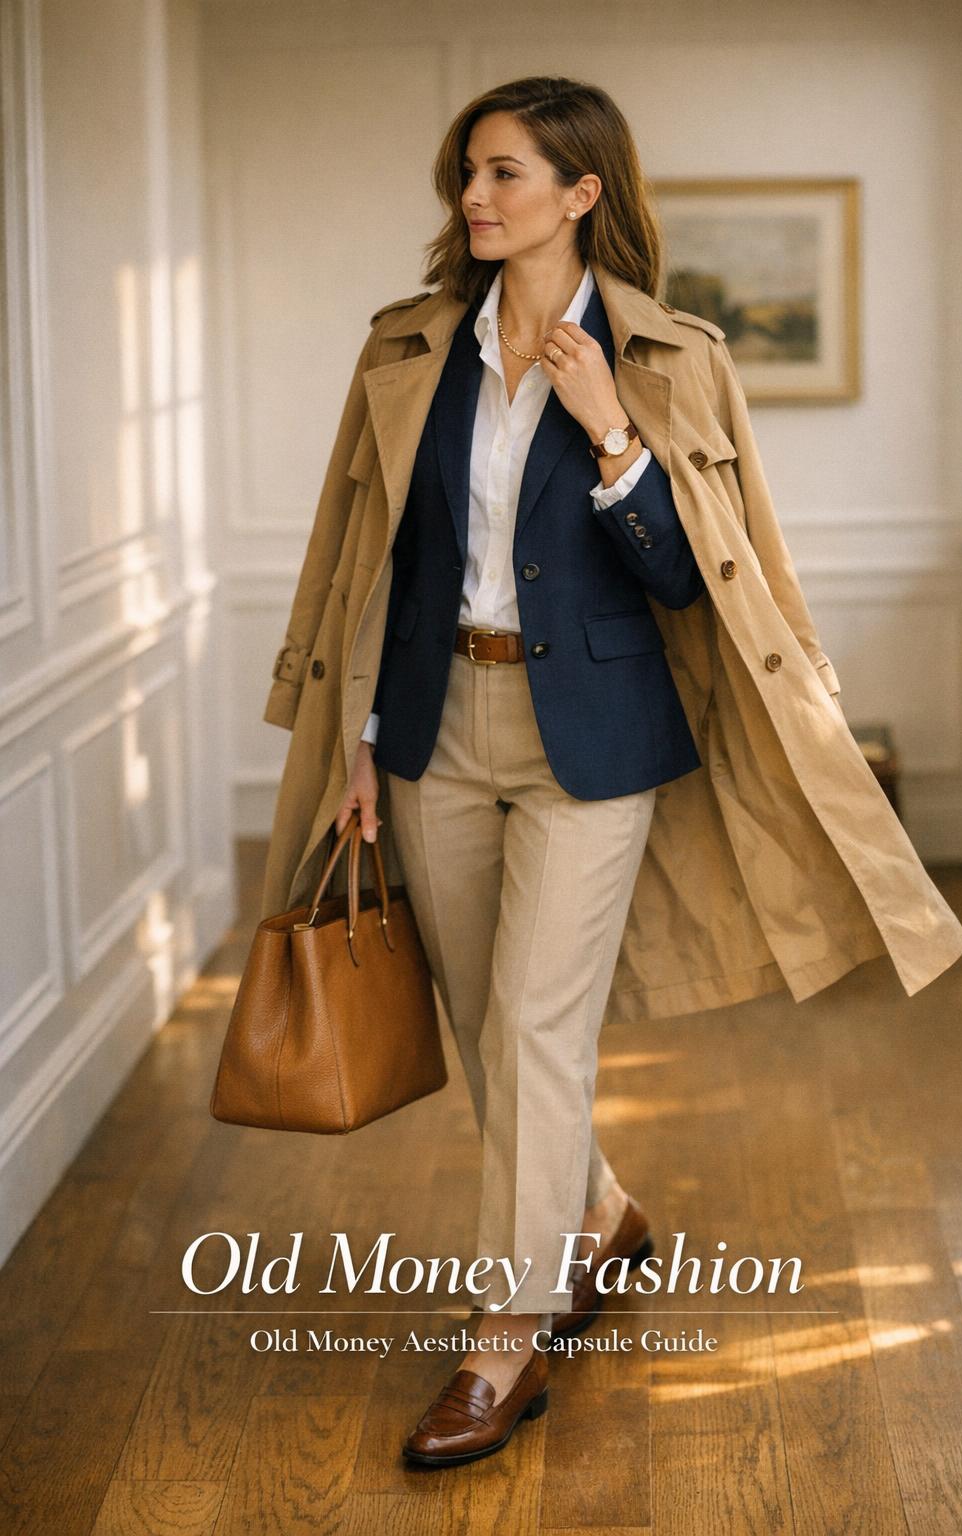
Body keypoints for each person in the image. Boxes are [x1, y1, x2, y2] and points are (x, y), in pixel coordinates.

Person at [332, 76, 707, 1466]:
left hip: (591, 746)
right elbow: (386, 561)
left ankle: (506, 1344)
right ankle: (600, 1214)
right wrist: (367, 741)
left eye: (501, 173)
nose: (474, 199)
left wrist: (611, 426)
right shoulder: (414, 346)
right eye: (466, 177)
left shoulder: (663, 353)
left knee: (540, 1031)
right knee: (492, 1024)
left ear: (581, 191)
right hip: (440, 727)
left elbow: (680, 578)